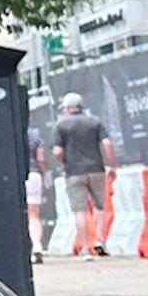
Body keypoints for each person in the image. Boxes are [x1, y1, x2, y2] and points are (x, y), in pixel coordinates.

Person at [50, 90, 114, 254]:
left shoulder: (60, 125)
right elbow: (107, 144)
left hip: (74, 172)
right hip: (96, 169)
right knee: (100, 206)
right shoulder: (94, 122)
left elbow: (57, 151)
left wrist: (64, 162)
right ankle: (100, 241)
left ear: (67, 108)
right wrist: (112, 165)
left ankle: (85, 248)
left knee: (80, 211)